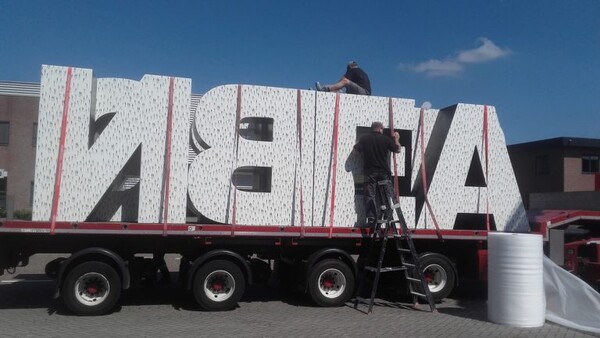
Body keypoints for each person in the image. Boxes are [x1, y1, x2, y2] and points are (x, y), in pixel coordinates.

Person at [353, 121, 401, 226]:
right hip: (384, 172)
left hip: (370, 172)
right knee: (386, 194)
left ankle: (371, 217)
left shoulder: (365, 139)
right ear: (380, 129)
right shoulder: (386, 139)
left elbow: (356, 150)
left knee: (370, 194)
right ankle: (387, 214)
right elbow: (398, 150)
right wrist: (396, 139)